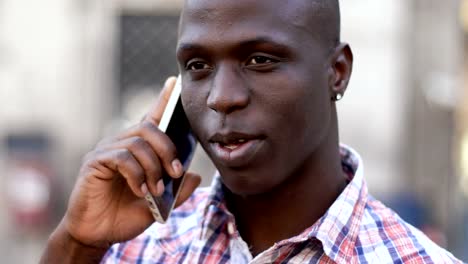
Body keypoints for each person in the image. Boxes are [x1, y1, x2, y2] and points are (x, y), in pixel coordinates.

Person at [40, 0, 463, 263]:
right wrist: (77, 243)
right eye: (198, 66)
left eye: (260, 60)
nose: (220, 98)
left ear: (336, 71)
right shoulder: (139, 247)